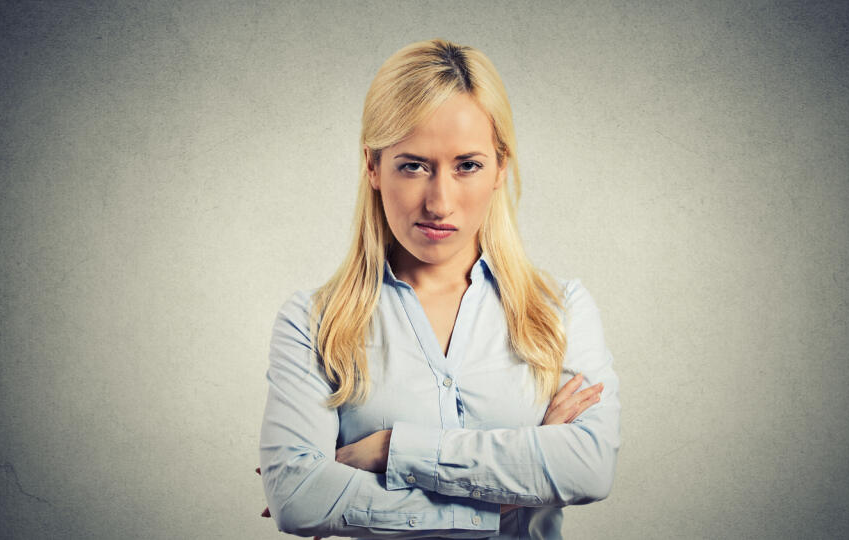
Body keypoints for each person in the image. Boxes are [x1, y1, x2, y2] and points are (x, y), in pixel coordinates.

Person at [257, 38, 621, 539]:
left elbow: (588, 468)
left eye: (467, 165)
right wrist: (512, 482)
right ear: (373, 167)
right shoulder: (312, 323)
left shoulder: (561, 310)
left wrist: (391, 451)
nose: (439, 202)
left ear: (501, 168)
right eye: (413, 165)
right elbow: (298, 500)